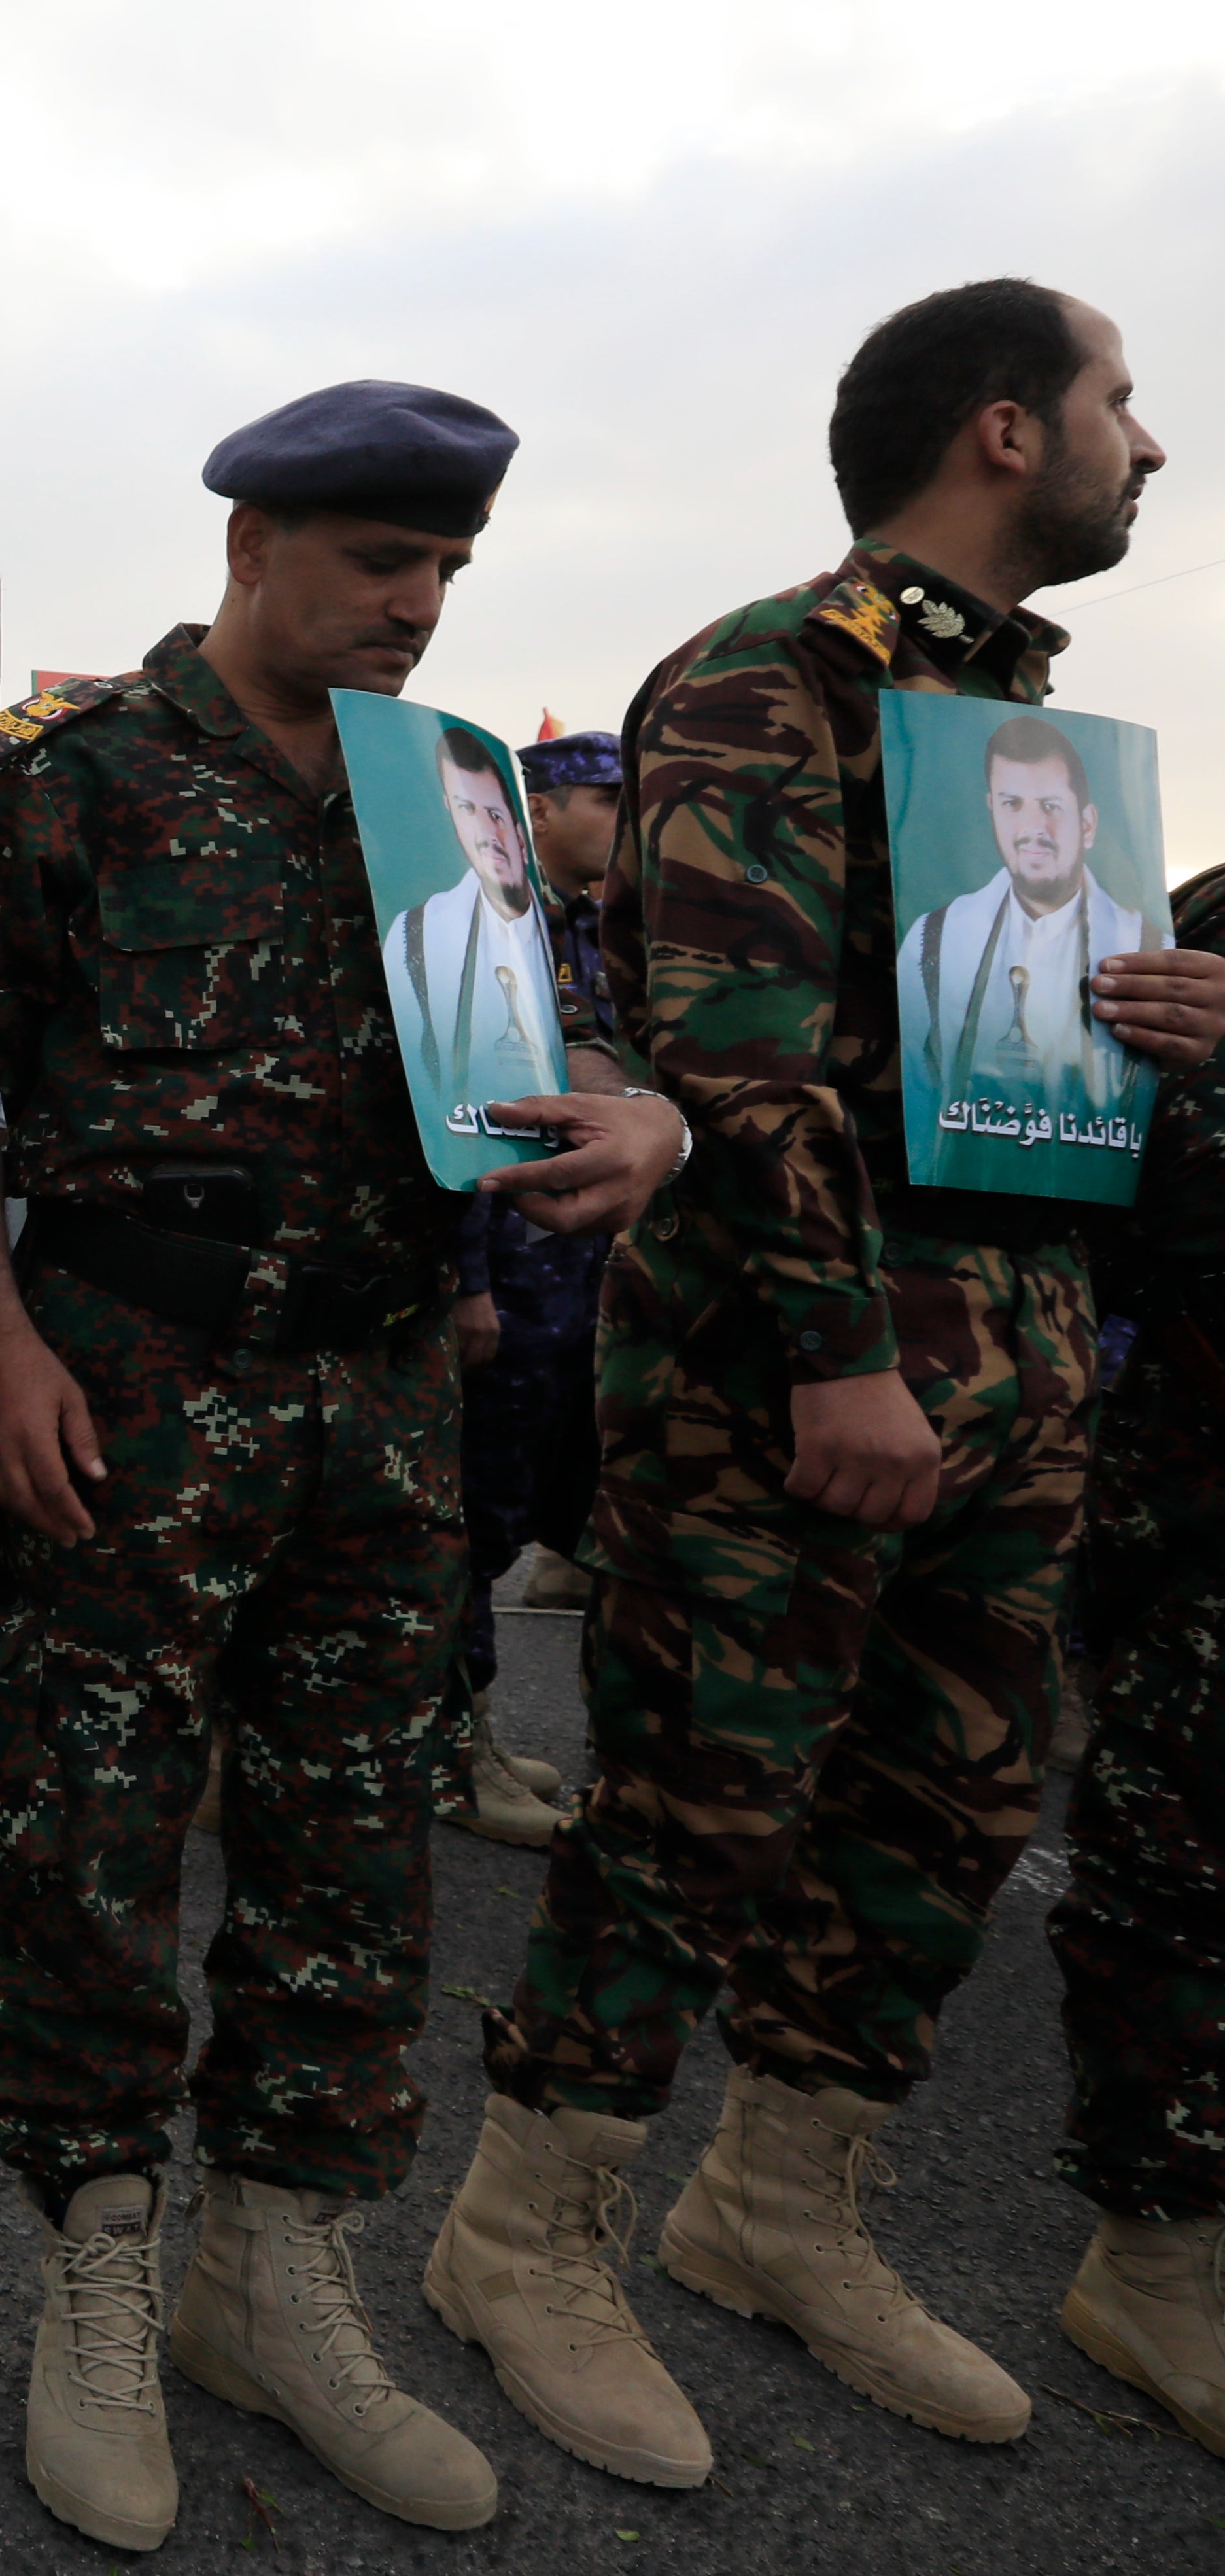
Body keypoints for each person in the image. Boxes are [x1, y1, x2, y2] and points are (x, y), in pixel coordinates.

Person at [430, 279, 1225, 2492]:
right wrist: (843, 1354)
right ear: (998, 431)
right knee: (700, 1807)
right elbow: (736, 1053)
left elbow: (988, 1063)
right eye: (1116, 405)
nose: (1145, 447)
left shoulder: (1035, 740)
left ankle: (778, 2205)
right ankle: (521, 2236)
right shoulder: (770, 677)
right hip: (802, 1373)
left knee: (947, 1812)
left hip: (1022, 1364)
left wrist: (1160, 1028)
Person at [0, 381, 686, 2552]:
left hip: (381, 1387)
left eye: (443, 569)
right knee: (85, 1825)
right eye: (377, 561)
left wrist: (652, 1116)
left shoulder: (454, 794)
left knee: (354, 1840)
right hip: (133, 1363)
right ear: (251, 542)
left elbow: (549, 1043)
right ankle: (97, 2267)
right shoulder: (72, 781)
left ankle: (274, 2273)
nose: (416, 605)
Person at [1050, 854, 1225, 2458]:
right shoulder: (1203, 930)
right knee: (1181, 1866)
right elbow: (1099, 1180)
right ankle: (1159, 2248)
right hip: (1201, 1479)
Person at [440, 722, 628, 1844]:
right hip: (507, 1268)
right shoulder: (496, 925)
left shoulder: (608, 933)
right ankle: (450, 1753)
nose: (619, 815)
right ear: (539, 812)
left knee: (517, 1517)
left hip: (581, 1278)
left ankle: (467, 1728)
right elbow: (469, 1104)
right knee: (465, 1520)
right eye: (598, 797)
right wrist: (464, 1277)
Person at [899, 712, 1158, 1138]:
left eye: (1050, 806)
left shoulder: (1148, 951)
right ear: (991, 812)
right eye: (1011, 804)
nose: (1031, 829)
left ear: (1087, 824)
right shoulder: (932, 941)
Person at [390, 725, 564, 1115]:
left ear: (521, 830)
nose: (488, 834)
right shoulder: (415, 933)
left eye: (495, 814)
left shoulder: (550, 919)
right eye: (468, 811)